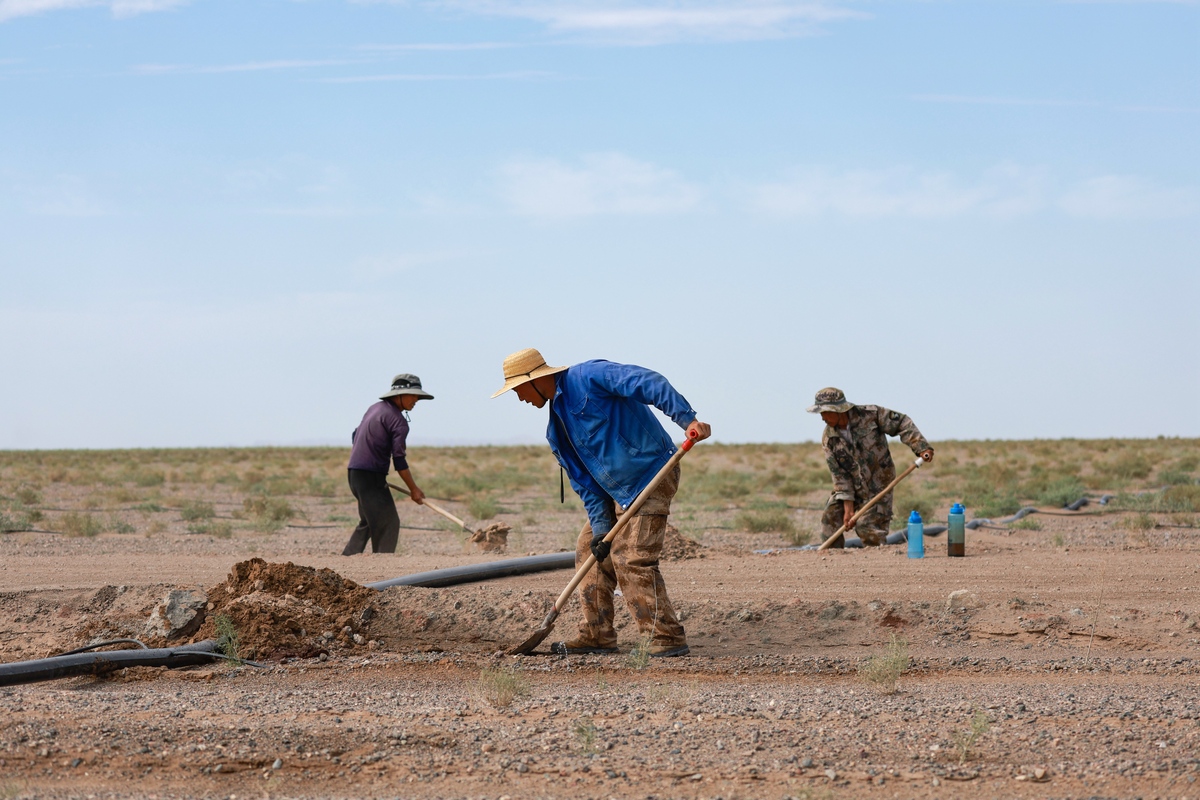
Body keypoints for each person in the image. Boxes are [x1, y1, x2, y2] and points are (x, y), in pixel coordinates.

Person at [492, 348, 711, 658]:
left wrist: (687, 418)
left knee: (631, 558)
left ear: (535, 379)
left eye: (518, 390)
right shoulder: (556, 430)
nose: (519, 399)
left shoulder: (590, 376)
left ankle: (665, 636)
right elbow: (584, 484)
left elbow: (648, 382)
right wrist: (601, 529)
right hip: (614, 493)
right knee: (589, 551)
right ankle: (598, 634)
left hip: (652, 474)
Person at [807, 387, 934, 547]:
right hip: (852, 489)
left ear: (838, 410)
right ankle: (834, 563)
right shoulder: (829, 438)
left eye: (825, 412)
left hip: (879, 487)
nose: (822, 418)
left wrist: (921, 447)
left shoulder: (871, 414)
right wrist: (848, 507)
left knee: (867, 528)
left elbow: (902, 423)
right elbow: (839, 476)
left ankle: (877, 564)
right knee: (830, 519)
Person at [342, 374, 433, 555]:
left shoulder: (374, 409)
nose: (416, 400)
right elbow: (399, 461)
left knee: (369, 521)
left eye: (418, 396)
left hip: (354, 474)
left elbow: (355, 435)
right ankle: (384, 565)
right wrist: (414, 489)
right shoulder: (398, 422)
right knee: (389, 522)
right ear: (399, 395)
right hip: (371, 477)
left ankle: (346, 561)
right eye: (412, 395)